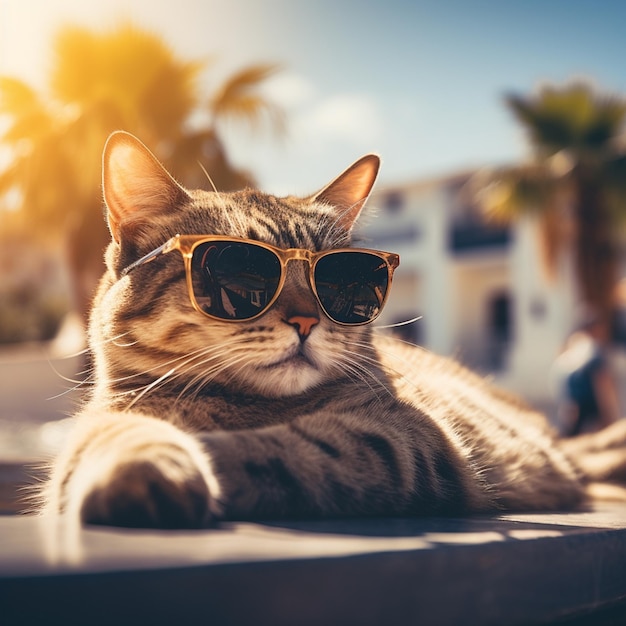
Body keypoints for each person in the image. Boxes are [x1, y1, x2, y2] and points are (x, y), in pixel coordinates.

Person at [553, 316, 620, 437]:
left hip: (570, 411)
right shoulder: (595, 352)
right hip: (591, 415)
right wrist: (611, 418)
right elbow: (603, 386)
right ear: (597, 329)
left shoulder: (570, 350)